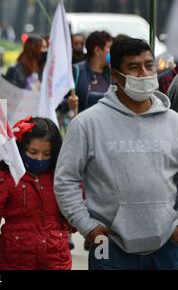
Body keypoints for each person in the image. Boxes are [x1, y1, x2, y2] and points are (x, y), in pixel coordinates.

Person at [55, 37, 178, 270]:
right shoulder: (87, 124)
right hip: (108, 247)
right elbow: (65, 179)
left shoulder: (174, 123)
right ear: (115, 76)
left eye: (149, 65)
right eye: (134, 67)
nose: (144, 73)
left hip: (168, 247)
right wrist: (86, 226)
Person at [0, 116, 73, 270]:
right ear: (20, 149)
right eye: (33, 152)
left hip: (56, 260)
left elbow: (73, 222)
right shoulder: (6, 177)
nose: (40, 159)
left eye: (46, 154)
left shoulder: (61, 177)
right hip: (17, 262)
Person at [68, 31, 112, 114]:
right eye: (109, 47)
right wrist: (68, 104)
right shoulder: (76, 71)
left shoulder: (112, 74)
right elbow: (59, 100)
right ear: (97, 50)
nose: (112, 52)